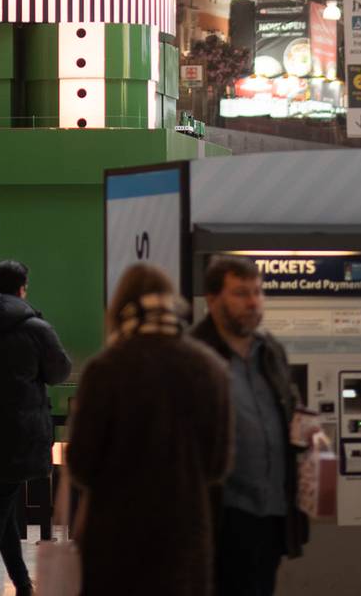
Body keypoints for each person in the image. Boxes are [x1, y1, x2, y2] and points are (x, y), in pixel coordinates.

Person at [66, 262, 231, 596]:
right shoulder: (210, 367)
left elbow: (82, 464)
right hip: (185, 539)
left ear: (120, 309)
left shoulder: (106, 368)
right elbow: (217, 466)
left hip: (116, 542)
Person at [193, 254, 308, 596]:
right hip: (221, 518)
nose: (253, 302)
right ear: (213, 300)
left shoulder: (270, 352)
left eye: (258, 292)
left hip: (271, 514)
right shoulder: (193, 356)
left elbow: (287, 412)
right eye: (241, 293)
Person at [0, 258, 71, 596]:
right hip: (18, 432)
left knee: (0, 503)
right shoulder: (35, 328)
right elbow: (59, 372)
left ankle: (22, 584)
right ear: (23, 288)